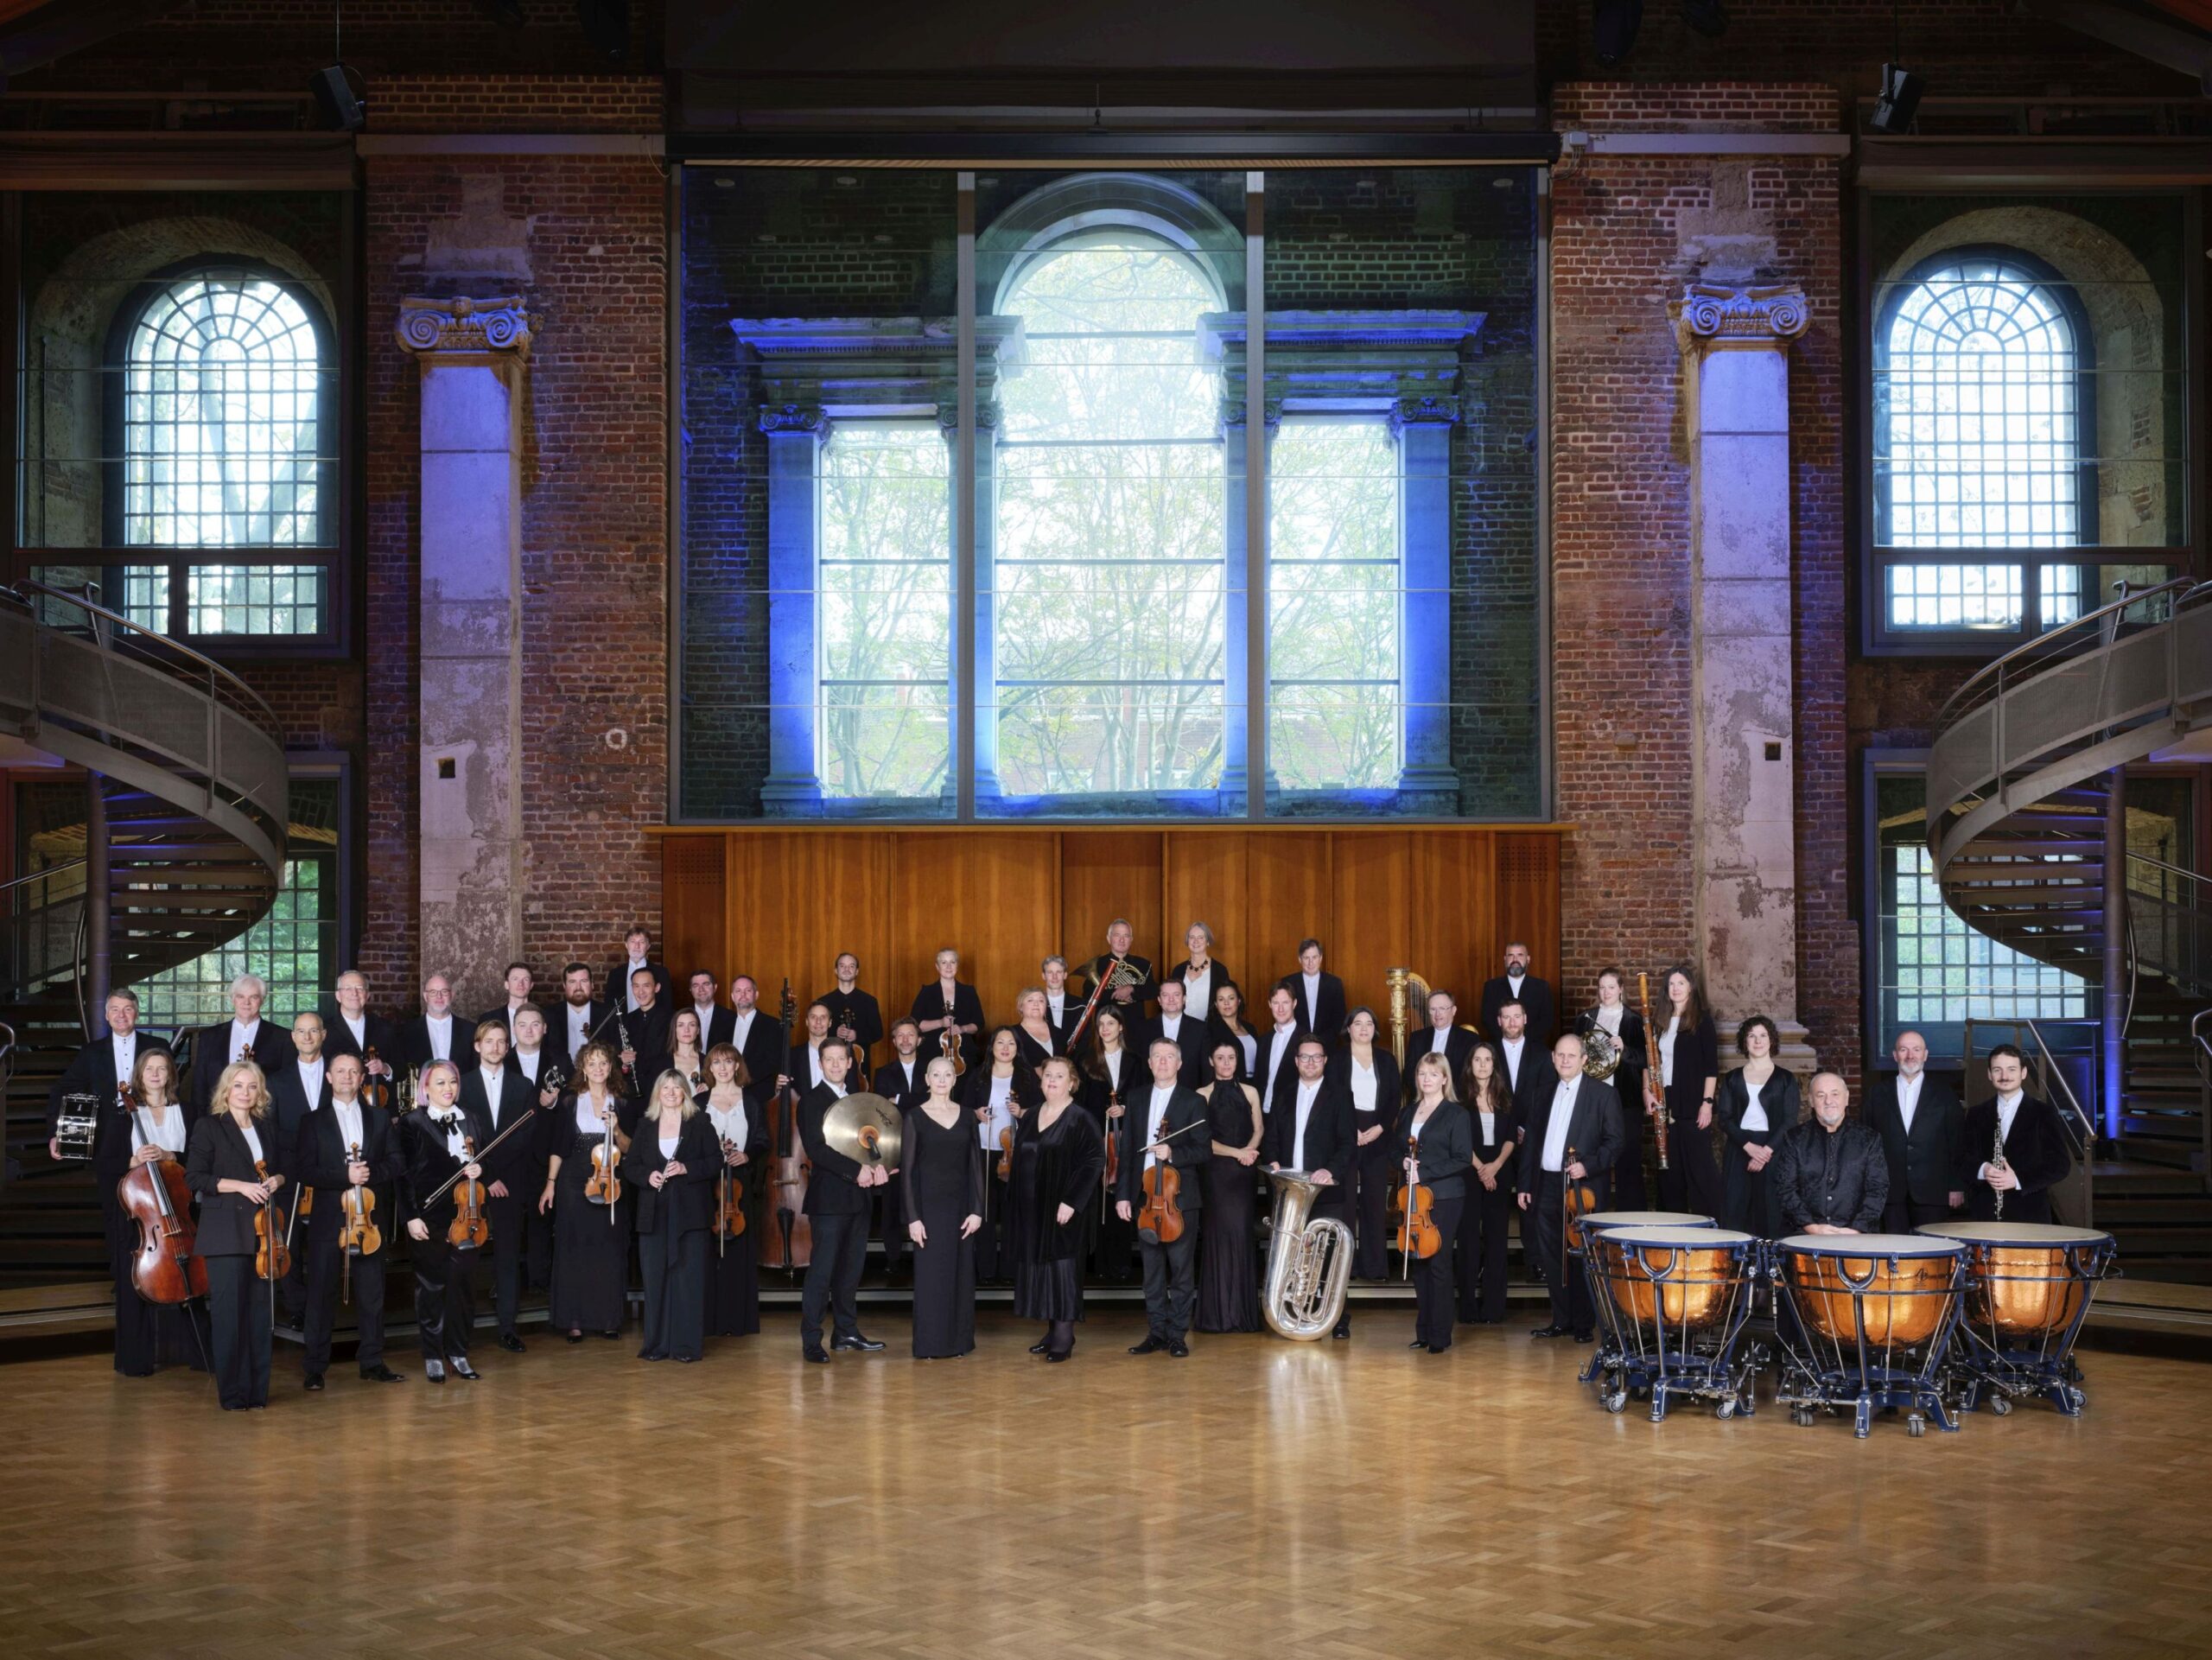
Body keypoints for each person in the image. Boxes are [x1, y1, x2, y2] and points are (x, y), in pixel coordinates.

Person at [294, 1051, 404, 1389]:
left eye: (353, 1072)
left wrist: (370, 1173)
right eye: (340, 1071)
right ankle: (315, 1366)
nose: (346, 1077)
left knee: (372, 1294)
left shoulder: (380, 1118)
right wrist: (344, 1175)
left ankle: (371, 1360)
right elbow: (305, 1170)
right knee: (321, 1292)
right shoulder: (311, 1121)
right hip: (328, 1220)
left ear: (361, 1079)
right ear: (329, 1078)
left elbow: (397, 1162)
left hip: (368, 1220)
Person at [95, 1047, 205, 1377]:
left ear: (171, 1074)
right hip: (140, 1213)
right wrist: (131, 1161)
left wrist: (171, 1154)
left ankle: (201, 1354)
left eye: (162, 1068)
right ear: (139, 1075)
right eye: (149, 1069)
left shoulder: (187, 1111)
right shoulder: (123, 1114)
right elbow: (103, 1163)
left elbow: (202, 1158)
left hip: (182, 1211)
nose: (156, 1074)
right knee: (134, 1285)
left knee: (193, 1281)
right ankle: (135, 1360)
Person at [185, 1059, 285, 1409]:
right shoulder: (209, 1126)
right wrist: (241, 1186)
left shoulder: (265, 1127)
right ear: (226, 1090)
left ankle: (258, 1393)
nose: (245, 1092)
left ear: (261, 1092)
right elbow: (195, 1178)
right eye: (239, 1086)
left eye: (253, 1086)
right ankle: (232, 1395)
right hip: (225, 1231)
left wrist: (278, 1180)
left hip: (262, 1232)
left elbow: (283, 1169)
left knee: (260, 1317)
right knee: (229, 1317)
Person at [1516, 1032, 1624, 1343]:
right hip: (1545, 1183)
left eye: (1571, 1056)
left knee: (1582, 1253)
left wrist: (1587, 1165)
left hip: (1582, 1189)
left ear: (1584, 1060)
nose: (1565, 1061)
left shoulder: (1603, 1095)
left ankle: (1583, 1323)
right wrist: (1525, 1183)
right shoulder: (1541, 1093)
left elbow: (1616, 1142)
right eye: (1560, 1055)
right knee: (1552, 1255)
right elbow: (1532, 1142)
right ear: (1553, 1059)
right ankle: (1560, 1319)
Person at [1117, 1040, 1214, 1357]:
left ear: (1179, 1064)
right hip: (1147, 1201)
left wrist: (1173, 1152)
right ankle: (1156, 1332)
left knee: (1182, 1273)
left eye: (1169, 1057)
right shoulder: (1136, 1098)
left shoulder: (1193, 1101)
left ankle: (1177, 1335)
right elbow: (1128, 1151)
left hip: (1179, 1201)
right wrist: (1123, 1196)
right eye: (1157, 1056)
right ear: (1148, 1062)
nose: (1162, 1062)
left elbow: (1203, 1150)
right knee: (1152, 1274)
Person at [1008, 1057, 1106, 1361]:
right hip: (1034, 1210)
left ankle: (1064, 1338)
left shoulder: (1081, 1118)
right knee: (1044, 1270)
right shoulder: (1031, 1115)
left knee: (1063, 1271)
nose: (1052, 1080)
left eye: (1059, 1076)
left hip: (1065, 1209)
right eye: (1048, 1075)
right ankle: (1052, 1332)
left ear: (1072, 1083)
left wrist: (1073, 1202)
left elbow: (1094, 1161)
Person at [398, 1059, 489, 1382]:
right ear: (425, 1088)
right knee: (432, 1287)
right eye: (439, 1083)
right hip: (429, 1217)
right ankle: (432, 1355)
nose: (448, 1088)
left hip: (468, 1216)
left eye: (452, 1082)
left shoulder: (472, 1120)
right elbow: (403, 1176)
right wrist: (410, 1217)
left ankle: (459, 1351)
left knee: (463, 1288)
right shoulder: (411, 1123)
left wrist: (482, 1171)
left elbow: (484, 1162)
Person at [1262, 1034, 1358, 1339]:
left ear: (1325, 1061)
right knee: (1291, 1255)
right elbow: (1272, 1135)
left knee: (1328, 1255)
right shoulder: (1285, 1093)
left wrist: (1329, 1170)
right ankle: (1291, 1313)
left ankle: (1336, 1318)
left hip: (1325, 1187)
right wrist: (1274, 1160)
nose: (1311, 1062)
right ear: (1296, 1061)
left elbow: (1347, 1143)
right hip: (1292, 1187)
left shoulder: (1341, 1095)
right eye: (1305, 1057)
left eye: (1317, 1057)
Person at [798, 1040, 885, 1362]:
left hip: (860, 1199)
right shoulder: (810, 1101)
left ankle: (846, 1332)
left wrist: (881, 1167)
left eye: (841, 1059)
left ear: (850, 1063)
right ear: (820, 1064)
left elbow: (871, 1144)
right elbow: (816, 1149)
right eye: (828, 1060)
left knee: (851, 1271)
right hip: (830, 1201)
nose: (835, 1065)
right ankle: (811, 1340)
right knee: (822, 1272)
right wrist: (855, 1171)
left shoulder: (861, 1101)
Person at [541, 1041, 634, 1343]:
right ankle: (575, 1319)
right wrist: (550, 1184)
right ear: (583, 1067)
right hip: (572, 1180)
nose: (598, 1069)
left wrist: (617, 1129)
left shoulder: (621, 1101)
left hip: (609, 1180)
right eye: (591, 1063)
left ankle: (608, 1318)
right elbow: (557, 1146)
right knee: (573, 1248)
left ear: (611, 1068)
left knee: (608, 1246)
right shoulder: (570, 1101)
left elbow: (631, 1148)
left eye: (603, 1063)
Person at [458, 1018, 539, 1354]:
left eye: (501, 1042)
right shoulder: (461, 1084)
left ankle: (508, 1327)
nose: (495, 1047)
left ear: (508, 1047)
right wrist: (487, 1176)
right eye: (488, 1041)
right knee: (465, 1256)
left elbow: (524, 1136)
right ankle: (460, 1330)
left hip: (511, 1182)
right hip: (471, 1183)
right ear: (477, 1046)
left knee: (508, 1256)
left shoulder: (523, 1086)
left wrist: (498, 1175)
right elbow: (461, 1136)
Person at [625, 1071, 716, 1363]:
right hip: (653, 1213)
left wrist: (687, 1168)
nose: (672, 1092)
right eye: (666, 1087)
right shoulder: (645, 1124)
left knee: (688, 1280)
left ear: (685, 1093)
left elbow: (715, 1161)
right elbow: (631, 1165)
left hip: (691, 1214)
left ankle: (686, 1347)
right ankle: (656, 1345)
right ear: (657, 1092)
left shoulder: (700, 1122)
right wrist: (646, 1176)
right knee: (655, 1279)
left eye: (678, 1088)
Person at [903, 1056, 982, 1359]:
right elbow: (908, 1172)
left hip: (962, 1209)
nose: (941, 1079)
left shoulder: (967, 1116)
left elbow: (976, 1167)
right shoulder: (914, 1117)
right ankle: (930, 1345)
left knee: (962, 1277)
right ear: (927, 1079)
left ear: (954, 1079)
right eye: (935, 1074)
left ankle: (960, 1342)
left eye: (947, 1074)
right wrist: (913, 1218)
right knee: (931, 1278)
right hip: (928, 1210)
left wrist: (977, 1210)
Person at [1395, 1052, 1473, 1353]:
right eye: (1421, 1074)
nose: (1426, 1080)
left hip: (1445, 1197)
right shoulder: (1407, 1112)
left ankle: (1440, 1335)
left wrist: (1422, 1172)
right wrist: (1403, 1162)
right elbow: (1393, 1149)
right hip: (1413, 1197)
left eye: (1432, 1074)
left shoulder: (1456, 1114)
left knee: (1438, 1262)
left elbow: (1462, 1158)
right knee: (1419, 1263)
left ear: (1444, 1078)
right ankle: (1424, 1331)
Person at [48, 988, 171, 1160]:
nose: (121, 1015)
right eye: (115, 1009)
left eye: (127, 1009)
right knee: (108, 1185)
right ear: (107, 1015)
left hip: (150, 1131)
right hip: (105, 1136)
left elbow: (172, 1090)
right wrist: (57, 1134)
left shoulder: (158, 1046)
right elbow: (63, 1090)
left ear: (136, 1014)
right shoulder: (91, 1052)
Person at [1865, 1028, 1967, 1233]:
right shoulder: (1877, 1093)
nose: (1910, 1056)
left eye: (1916, 1049)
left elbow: (1957, 1141)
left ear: (1925, 1055)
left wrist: (1957, 1186)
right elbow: (1866, 1142)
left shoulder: (1945, 1094)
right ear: (1895, 1055)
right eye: (1904, 1050)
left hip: (1933, 1191)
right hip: (1889, 1192)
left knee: (1931, 1254)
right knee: (1894, 1254)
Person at [1328, 1008, 1402, 1281]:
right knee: (1345, 1202)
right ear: (1348, 1028)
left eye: (1368, 1023)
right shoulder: (1336, 1060)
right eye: (1357, 1023)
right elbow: (1333, 1098)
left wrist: (1381, 1127)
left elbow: (1394, 1097)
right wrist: (1351, 1131)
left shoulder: (1386, 1059)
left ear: (1375, 1028)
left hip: (1377, 1133)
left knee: (1373, 1202)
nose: (1363, 1028)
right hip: (1346, 1133)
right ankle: (1345, 1267)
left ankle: (1374, 1267)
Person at [265, 1009, 330, 1320]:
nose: (307, 1037)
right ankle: (297, 1308)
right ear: (293, 1037)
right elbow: (271, 1129)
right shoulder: (276, 1081)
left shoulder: (339, 1074)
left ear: (323, 1035)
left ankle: (322, 1305)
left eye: (313, 1031)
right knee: (289, 1242)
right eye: (301, 1031)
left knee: (325, 1242)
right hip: (289, 1171)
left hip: (331, 1171)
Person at [963, 1026, 1041, 1283]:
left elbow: (1042, 1113)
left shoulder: (1028, 1077)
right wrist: (975, 1115)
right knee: (985, 1212)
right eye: (1000, 1043)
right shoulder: (978, 1077)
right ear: (992, 1048)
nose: (1006, 1048)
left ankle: (1010, 1270)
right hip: (984, 1152)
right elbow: (963, 1111)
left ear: (1018, 1049)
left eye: (1011, 1043)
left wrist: (1023, 1112)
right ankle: (985, 1269)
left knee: (1013, 1214)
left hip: (1016, 1154)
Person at [1962, 1045, 2074, 1224]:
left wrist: (2017, 1179)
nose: (2004, 1076)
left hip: (2029, 1214)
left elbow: (2060, 1165)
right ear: (1989, 1074)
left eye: (2011, 1069)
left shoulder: (2044, 1113)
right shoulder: (1976, 1114)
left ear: (2023, 1073)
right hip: (1984, 1215)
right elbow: (1962, 1158)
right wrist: (1984, 1169)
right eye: (1997, 1070)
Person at [1195, 1040, 1262, 1334]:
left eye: (1231, 1057)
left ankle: (1242, 1315)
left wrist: (1249, 1150)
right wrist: (1239, 1153)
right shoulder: (1201, 1095)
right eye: (1220, 1057)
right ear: (1211, 1061)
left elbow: (1258, 1128)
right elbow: (1203, 1141)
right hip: (1215, 1173)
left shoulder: (1250, 1092)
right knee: (1217, 1237)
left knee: (1242, 1235)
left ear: (1238, 1061)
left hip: (1244, 1173)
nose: (1225, 1063)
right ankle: (1217, 1315)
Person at [699, 1043, 763, 1339]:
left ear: (737, 1066)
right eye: (717, 1063)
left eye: (728, 1062)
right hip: (707, 1184)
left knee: (739, 1250)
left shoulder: (750, 1101)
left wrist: (746, 1155)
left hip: (739, 1184)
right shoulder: (699, 1102)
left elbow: (763, 1140)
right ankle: (711, 1318)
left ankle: (738, 1319)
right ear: (709, 1068)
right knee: (709, 1252)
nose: (723, 1068)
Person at [1770, 1072, 1888, 1234]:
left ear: (1846, 1098)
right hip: (1804, 1235)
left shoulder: (1869, 1139)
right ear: (1811, 1100)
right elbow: (1785, 1188)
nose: (1828, 1101)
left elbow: (1878, 1189)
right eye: (1821, 1095)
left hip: (1858, 1237)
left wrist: (1856, 1229)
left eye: (1835, 1094)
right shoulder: (1794, 1139)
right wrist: (1810, 1227)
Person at [1715, 1015, 1799, 1237]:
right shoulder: (1732, 1078)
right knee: (1735, 1209)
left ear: (1771, 1041)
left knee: (1770, 1210)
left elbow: (1789, 1121)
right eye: (1752, 1036)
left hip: (1773, 1150)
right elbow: (1724, 1118)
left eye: (1763, 1035)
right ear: (1745, 1042)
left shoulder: (1786, 1079)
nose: (1758, 1041)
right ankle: (1737, 1265)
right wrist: (1748, 1146)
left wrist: (1765, 1151)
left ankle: (1770, 1266)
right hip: (1739, 1148)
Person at [1458, 1041, 1520, 1325]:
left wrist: (1494, 1167)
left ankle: (1494, 1309)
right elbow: (1459, 1140)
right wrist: (1482, 1169)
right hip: (1469, 1175)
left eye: (1487, 1060)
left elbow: (1510, 1138)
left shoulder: (1506, 1098)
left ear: (1495, 1064)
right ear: (1470, 1065)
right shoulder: (1459, 1099)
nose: (1483, 1065)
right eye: (1477, 1060)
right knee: (1469, 1242)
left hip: (1500, 1172)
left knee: (1497, 1243)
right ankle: (1468, 1307)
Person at [1576, 969, 1649, 1209]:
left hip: (1625, 1100)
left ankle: (1632, 1220)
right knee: (1594, 1158)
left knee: (1628, 1160)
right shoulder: (1585, 1018)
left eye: (1611, 987)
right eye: (1601, 987)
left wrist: (1624, 1049)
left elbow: (1645, 1060)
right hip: (1592, 1099)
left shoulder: (1635, 1020)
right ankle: (1594, 1215)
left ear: (1620, 989)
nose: (1605, 992)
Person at [1654, 964, 1722, 1217]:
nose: (1675, 988)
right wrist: (1650, 1093)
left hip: (1693, 1102)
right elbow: (1656, 1064)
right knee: (1671, 1170)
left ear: (1690, 987)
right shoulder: (1660, 1021)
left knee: (1700, 1168)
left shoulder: (1702, 1020)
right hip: (1667, 1101)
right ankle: (1675, 1225)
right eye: (1671, 984)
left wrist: (1707, 1103)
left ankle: (1714, 1225)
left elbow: (1711, 1067)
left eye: (1680, 983)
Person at [1081, 1006, 1138, 1281]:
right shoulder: (1087, 1061)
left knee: (1123, 1195)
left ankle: (1122, 1263)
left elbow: (1141, 1098)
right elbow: (1081, 1104)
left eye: (1111, 1023)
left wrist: (1126, 1110)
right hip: (1097, 1137)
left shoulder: (1135, 1061)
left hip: (1126, 1138)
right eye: (1101, 1024)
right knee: (1100, 1200)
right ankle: (1100, 1263)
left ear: (1121, 1027)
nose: (1105, 1028)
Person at [190, 972, 293, 1113]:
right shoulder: (209, 1037)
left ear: (262, 1000)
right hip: (217, 1119)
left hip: (265, 1119)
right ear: (232, 1000)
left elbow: (286, 1086)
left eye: (254, 997)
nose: (246, 1002)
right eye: (241, 996)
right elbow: (199, 1085)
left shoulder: (282, 1037)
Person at [1075, 917, 1159, 1038]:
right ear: (1109, 939)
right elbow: (1087, 995)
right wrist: (1115, 992)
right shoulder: (1097, 964)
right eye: (1117, 935)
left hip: (1135, 1026)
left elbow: (1153, 990)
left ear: (1131, 940)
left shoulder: (1143, 964)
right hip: (1106, 1027)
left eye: (1126, 936)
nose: (1122, 940)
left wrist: (1131, 989)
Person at [321, 970, 399, 1091]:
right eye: (348, 988)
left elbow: (401, 1070)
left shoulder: (385, 1027)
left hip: (379, 1104)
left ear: (367, 995)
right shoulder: (324, 1030)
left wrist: (385, 1068)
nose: (354, 993)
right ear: (338, 996)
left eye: (360, 988)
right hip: (339, 1103)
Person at [912, 948, 986, 1073]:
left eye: (952, 962)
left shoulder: (969, 992)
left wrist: (962, 1029)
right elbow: (916, 1024)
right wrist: (940, 1023)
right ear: (937, 966)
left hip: (963, 1055)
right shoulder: (927, 992)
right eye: (944, 962)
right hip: (932, 1053)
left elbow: (979, 1023)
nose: (948, 966)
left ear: (957, 965)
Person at [1480, 941, 1556, 1047]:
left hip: (1533, 1047)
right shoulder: (1491, 987)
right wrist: (1507, 1039)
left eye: (1520, 955)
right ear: (1505, 959)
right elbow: (1487, 1018)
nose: (1515, 960)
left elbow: (1547, 1020)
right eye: (1511, 955)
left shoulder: (1541, 987)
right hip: (1500, 1047)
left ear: (1528, 959)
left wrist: (1522, 1040)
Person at [822, 952, 885, 1070]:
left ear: (857, 971)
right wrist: (835, 1032)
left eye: (851, 966)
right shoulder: (824, 1002)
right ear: (836, 970)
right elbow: (817, 1031)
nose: (847, 969)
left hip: (860, 1066)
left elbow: (878, 1032)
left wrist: (857, 1035)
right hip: (830, 1064)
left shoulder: (869, 1001)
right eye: (842, 966)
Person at [614, 966, 671, 1095]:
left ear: (657, 988)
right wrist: (623, 1062)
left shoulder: (671, 1019)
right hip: (632, 1090)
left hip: (661, 1088)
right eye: (636, 986)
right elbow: (620, 1060)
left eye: (646, 986)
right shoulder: (627, 1020)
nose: (641, 992)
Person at [1495, 999, 1554, 1118]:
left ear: (1525, 1019)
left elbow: (1546, 1096)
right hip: (1496, 1126)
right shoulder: (1488, 1053)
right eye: (1506, 1017)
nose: (1512, 1023)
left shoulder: (1543, 1054)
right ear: (1499, 1021)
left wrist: (1526, 1128)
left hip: (1531, 1127)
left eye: (1517, 1016)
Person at [1279, 938, 1346, 1043]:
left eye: (1314, 957)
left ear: (1320, 958)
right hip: (1295, 1043)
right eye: (1306, 958)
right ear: (1300, 959)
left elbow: (1340, 1018)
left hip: (1327, 1045)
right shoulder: (1288, 983)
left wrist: (1325, 1041)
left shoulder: (1334, 983)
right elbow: (1282, 1014)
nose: (1311, 962)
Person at [1409, 989, 1478, 1090]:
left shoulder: (1469, 1038)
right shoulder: (1417, 1038)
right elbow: (1409, 1073)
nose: (1437, 1014)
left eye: (1442, 1008)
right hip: (1424, 1099)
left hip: (1456, 1101)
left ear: (1453, 1010)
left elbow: (1469, 1076)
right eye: (1433, 1009)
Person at [1147, 979, 1211, 1087]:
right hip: (1152, 1095)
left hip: (1191, 1096)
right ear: (1159, 1000)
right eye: (1165, 995)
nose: (1171, 999)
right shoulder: (1143, 1029)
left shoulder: (1201, 1029)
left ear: (1184, 998)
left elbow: (1206, 1069)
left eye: (1176, 995)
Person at [555, 962, 615, 1074]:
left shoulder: (608, 1014)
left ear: (592, 984)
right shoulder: (550, 1015)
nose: (578, 987)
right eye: (572, 982)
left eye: (584, 981)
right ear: (564, 985)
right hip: (562, 1083)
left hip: (599, 1079)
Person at [397, 972, 461, 1075]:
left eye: (444, 991)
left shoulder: (470, 1030)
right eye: (433, 992)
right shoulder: (406, 1032)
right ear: (426, 996)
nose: (439, 996)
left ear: (452, 995)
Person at [1257, 984, 1303, 1117]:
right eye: (1276, 1003)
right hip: (1263, 1116)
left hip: (1291, 1116)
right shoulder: (1263, 1040)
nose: (1281, 1008)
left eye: (1285, 1002)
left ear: (1294, 1003)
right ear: (1270, 1004)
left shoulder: (1307, 1040)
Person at [1173, 921, 1233, 1022]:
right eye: (1192, 937)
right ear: (1187, 941)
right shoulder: (1178, 970)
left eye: (1201, 938)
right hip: (1181, 1028)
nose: (1196, 941)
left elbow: (1224, 1003)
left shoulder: (1219, 970)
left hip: (1209, 1030)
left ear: (1208, 942)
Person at [611, 925, 671, 1012]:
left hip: (653, 1024)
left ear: (648, 946)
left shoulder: (661, 973)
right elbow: (609, 1006)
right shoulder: (615, 974)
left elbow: (667, 1005)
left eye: (642, 942)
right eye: (633, 942)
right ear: (626, 945)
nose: (637, 946)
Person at [1208, 981, 1259, 1083]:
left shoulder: (1250, 1028)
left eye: (1231, 998)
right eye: (1221, 999)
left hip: (1255, 1084)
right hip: (1230, 1085)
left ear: (1238, 1001)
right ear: (1216, 1004)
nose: (1226, 1003)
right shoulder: (1210, 1030)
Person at [476, 963, 537, 1045]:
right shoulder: (488, 1019)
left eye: (526, 979)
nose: (521, 984)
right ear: (507, 985)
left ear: (531, 985)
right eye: (515, 979)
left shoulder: (546, 1017)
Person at [874, 1019, 929, 1110]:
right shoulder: (882, 1073)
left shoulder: (931, 1070)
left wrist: (898, 1099)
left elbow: (937, 1101)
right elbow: (881, 1107)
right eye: (900, 1035)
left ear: (919, 1041)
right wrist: (922, 1098)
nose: (905, 1040)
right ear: (895, 1042)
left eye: (910, 1035)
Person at [684, 969, 736, 1052]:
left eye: (706, 984)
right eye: (696, 985)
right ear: (691, 990)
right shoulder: (679, 1017)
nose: (701, 989)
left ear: (715, 987)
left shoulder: (731, 1018)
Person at [1012, 988, 1060, 1071]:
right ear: (1020, 1007)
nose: (1036, 1004)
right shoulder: (1011, 1033)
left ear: (1046, 1006)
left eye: (1041, 1001)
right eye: (1030, 1000)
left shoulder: (1059, 1032)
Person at [1040, 955, 1079, 1048]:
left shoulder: (1080, 1005)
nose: (1054, 977)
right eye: (1050, 972)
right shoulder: (1036, 1006)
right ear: (1043, 976)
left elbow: (1085, 1041)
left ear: (1065, 975)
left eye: (1059, 972)